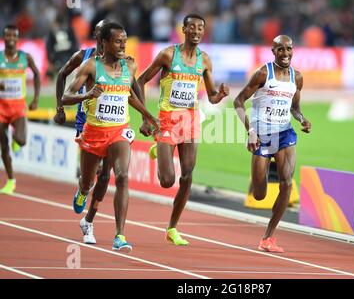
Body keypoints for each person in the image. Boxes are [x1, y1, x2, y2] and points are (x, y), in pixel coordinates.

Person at [62, 22, 158, 252]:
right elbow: (67, 95)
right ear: (104, 43)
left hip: (118, 131)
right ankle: (83, 191)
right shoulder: (91, 67)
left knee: (122, 175)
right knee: (88, 181)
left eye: (124, 41)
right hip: (94, 132)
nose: (123, 45)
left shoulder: (130, 66)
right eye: (118, 41)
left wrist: (148, 116)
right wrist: (87, 95)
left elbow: (130, 95)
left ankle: (120, 235)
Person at [137, 14, 229, 246]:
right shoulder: (168, 55)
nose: (197, 31)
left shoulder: (205, 60)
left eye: (201, 28)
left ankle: (172, 228)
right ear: (184, 30)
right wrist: (146, 116)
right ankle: (159, 147)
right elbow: (139, 81)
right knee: (167, 181)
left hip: (190, 120)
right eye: (193, 27)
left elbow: (212, 97)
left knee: (187, 176)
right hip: (167, 120)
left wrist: (221, 94)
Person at [233, 35, 311, 253]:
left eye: (289, 49)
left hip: (285, 133)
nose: (285, 54)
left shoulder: (298, 78)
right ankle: (264, 169)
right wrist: (249, 131)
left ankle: (268, 237)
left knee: (287, 183)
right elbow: (238, 101)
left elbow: (295, 108)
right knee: (259, 194)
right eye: (280, 50)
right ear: (273, 51)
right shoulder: (262, 73)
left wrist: (302, 118)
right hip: (262, 135)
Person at [53, 19, 112, 245]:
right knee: (90, 174)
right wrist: (60, 108)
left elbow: (134, 87)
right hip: (86, 120)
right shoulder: (83, 56)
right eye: (100, 33)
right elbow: (61, 75)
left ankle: (90, 218)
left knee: (106, 173)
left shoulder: (120, 60)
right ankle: (83, 189)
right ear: (97, 36)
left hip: (110, 123)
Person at [0, 24, 41, 195]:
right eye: (8, 35)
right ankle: (11, 180)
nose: (10, 39)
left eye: (13, 36)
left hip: (18, 108)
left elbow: (37, 74)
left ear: (17, 39)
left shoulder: (26, 58)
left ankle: (18, 140)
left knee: (21, 140)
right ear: (4, 38)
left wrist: (36, 99)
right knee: (4, 146)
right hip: (1, 108)